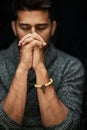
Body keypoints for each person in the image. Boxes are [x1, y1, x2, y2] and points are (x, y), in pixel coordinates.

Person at [0, 0, 85, 129]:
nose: (33, 35)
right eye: (24, 27)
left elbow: (65, 126)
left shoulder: (71, 66)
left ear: (53, 28)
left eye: (41, 27)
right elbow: (4, 124)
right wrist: (23, 67)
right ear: (14, 28)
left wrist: (40, 67)